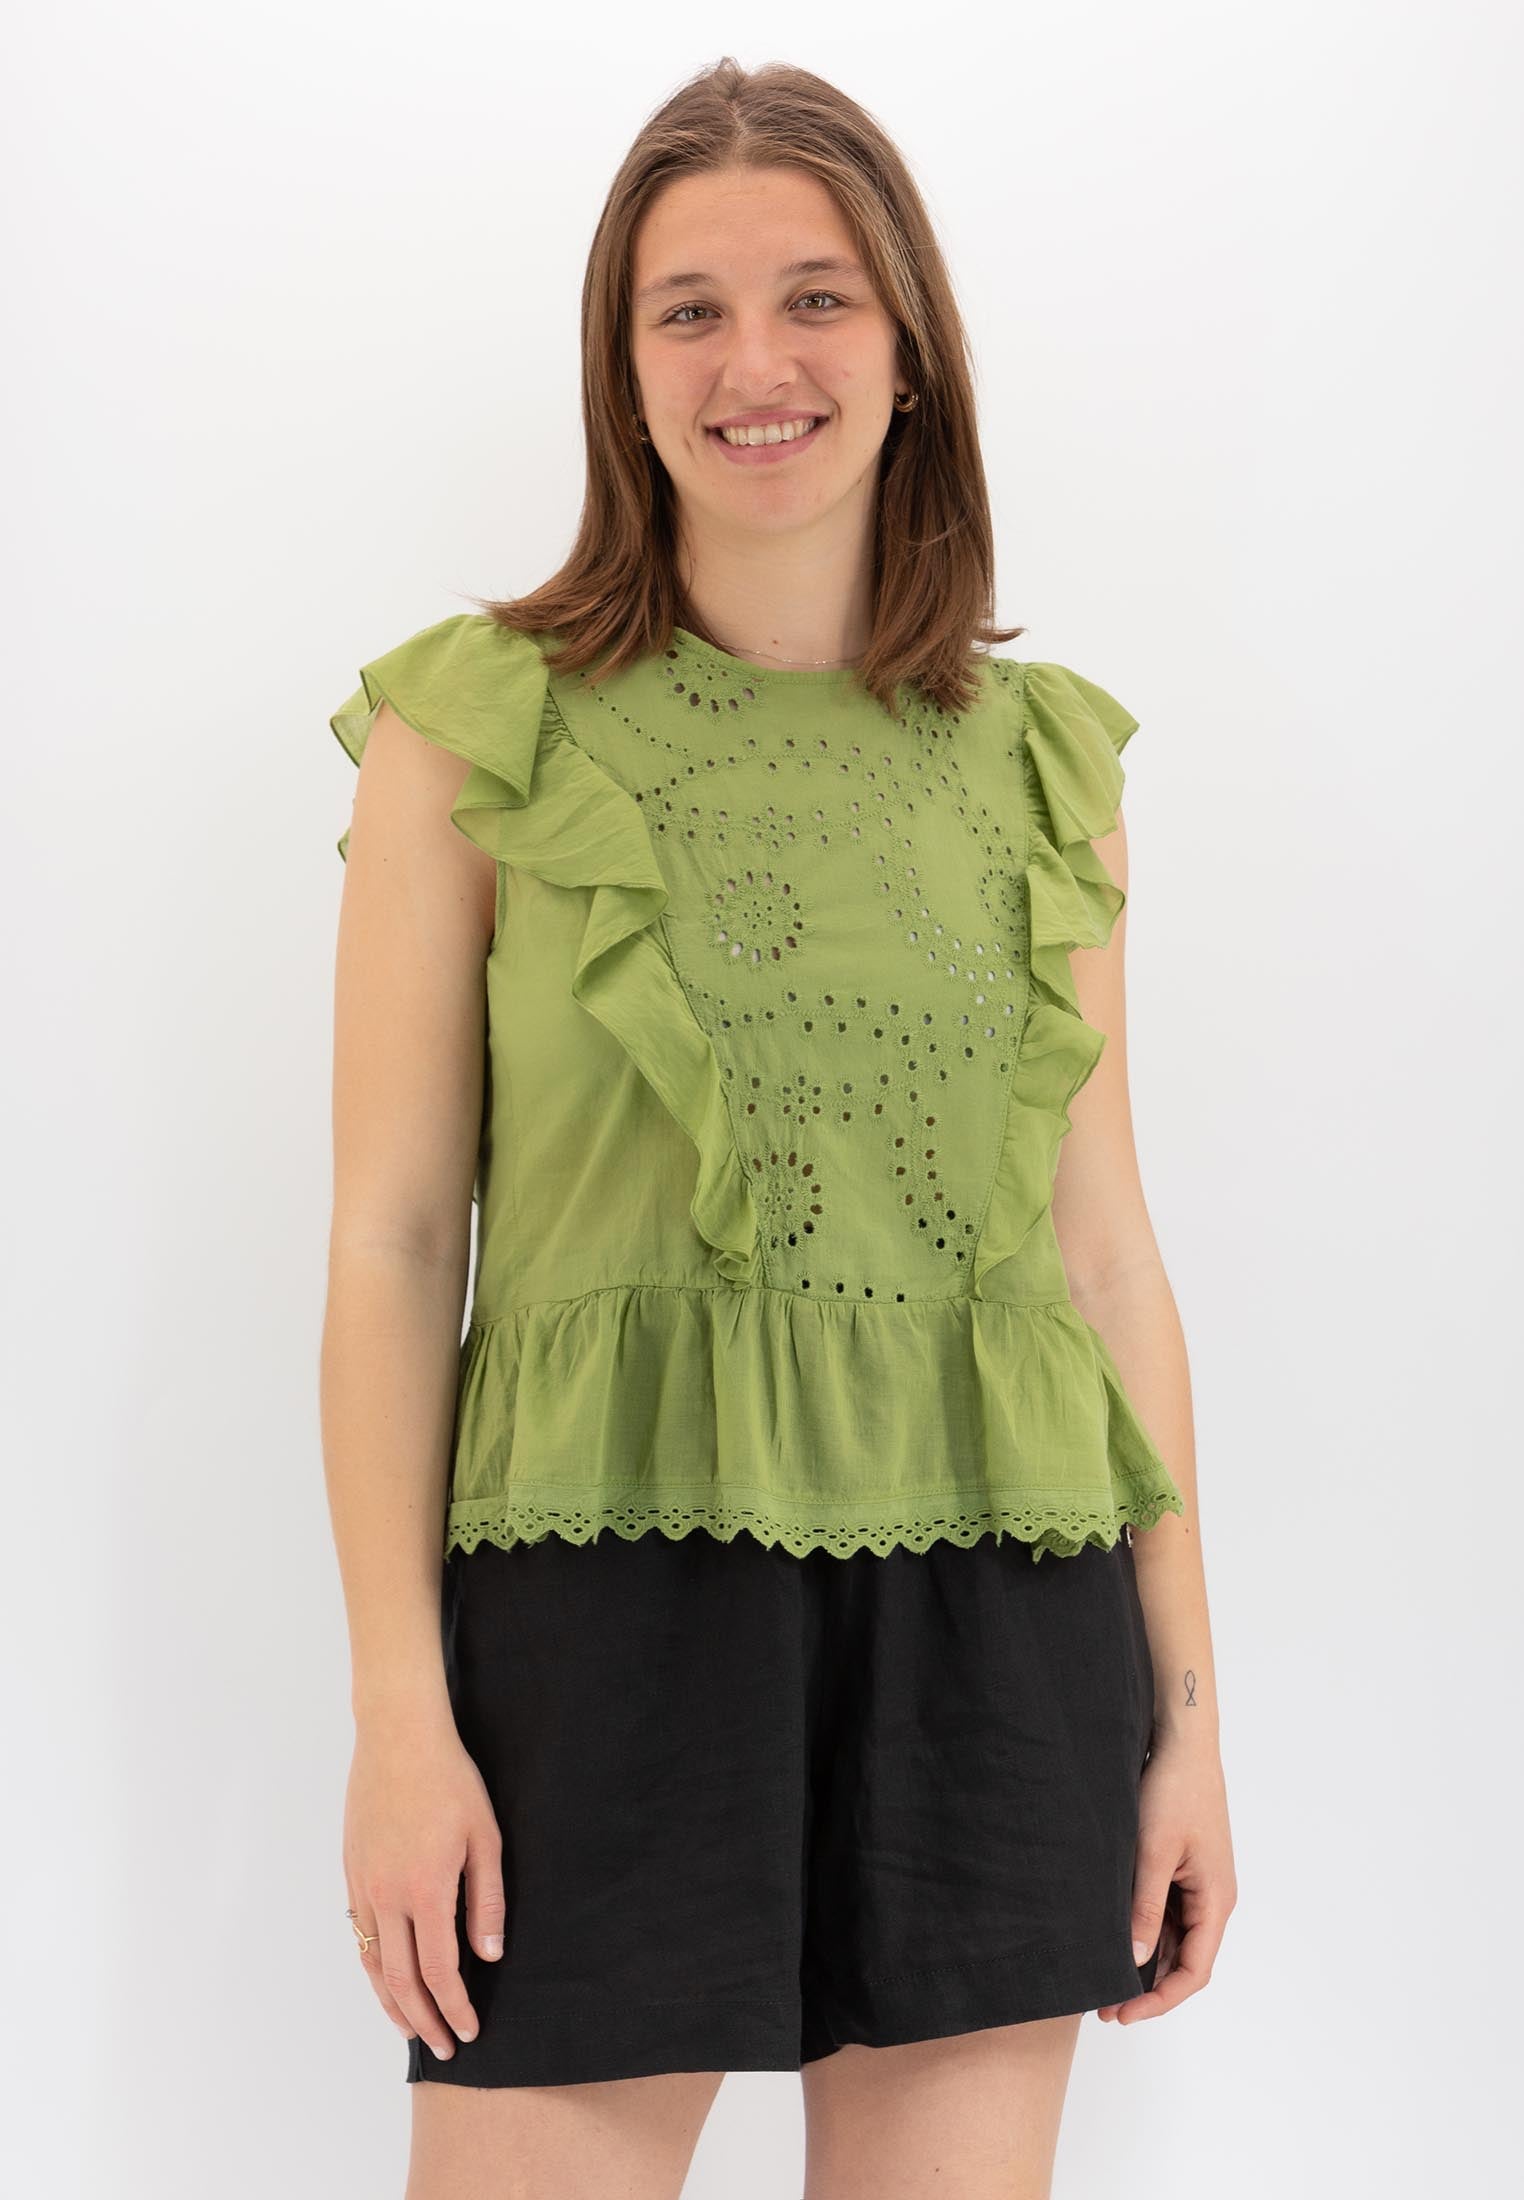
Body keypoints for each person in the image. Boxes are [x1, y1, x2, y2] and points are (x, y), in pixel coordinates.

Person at [319, 55, 1235, 2200]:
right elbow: (393, 1239)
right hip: (600, 1595)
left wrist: (1192, 1715)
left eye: (818, 298)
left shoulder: (1043, 762)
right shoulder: (483, 729)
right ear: (621, 368)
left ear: (911, 351)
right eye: (690, 309)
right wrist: (398, 1715)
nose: (757, 363)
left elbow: (1104, 1251)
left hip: (1003, 1606)